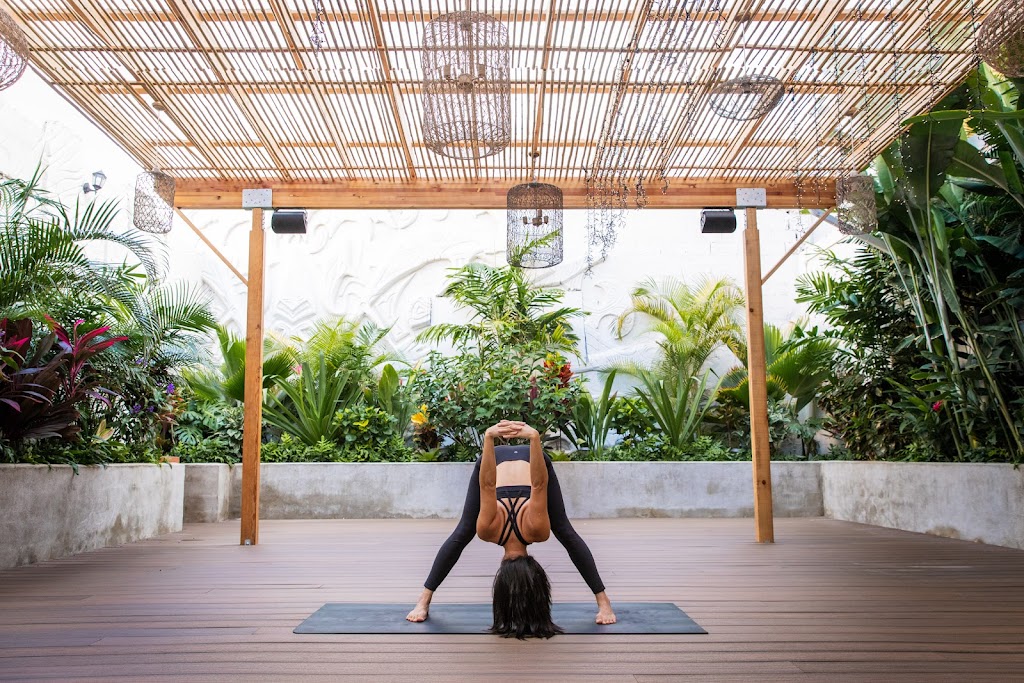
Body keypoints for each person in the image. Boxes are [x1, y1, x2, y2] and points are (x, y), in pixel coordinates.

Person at [406, 420, 616, 632]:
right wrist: (494, 438)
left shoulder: (537, 530)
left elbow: (526, 484)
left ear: (535, 568)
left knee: (464, 531)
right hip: (503, 459)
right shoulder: (489, 530)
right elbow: (523, 484)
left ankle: (423, 602)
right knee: (563, 531)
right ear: (501, 571)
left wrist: (532, 438)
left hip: (507, 459)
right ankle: (603, 603)